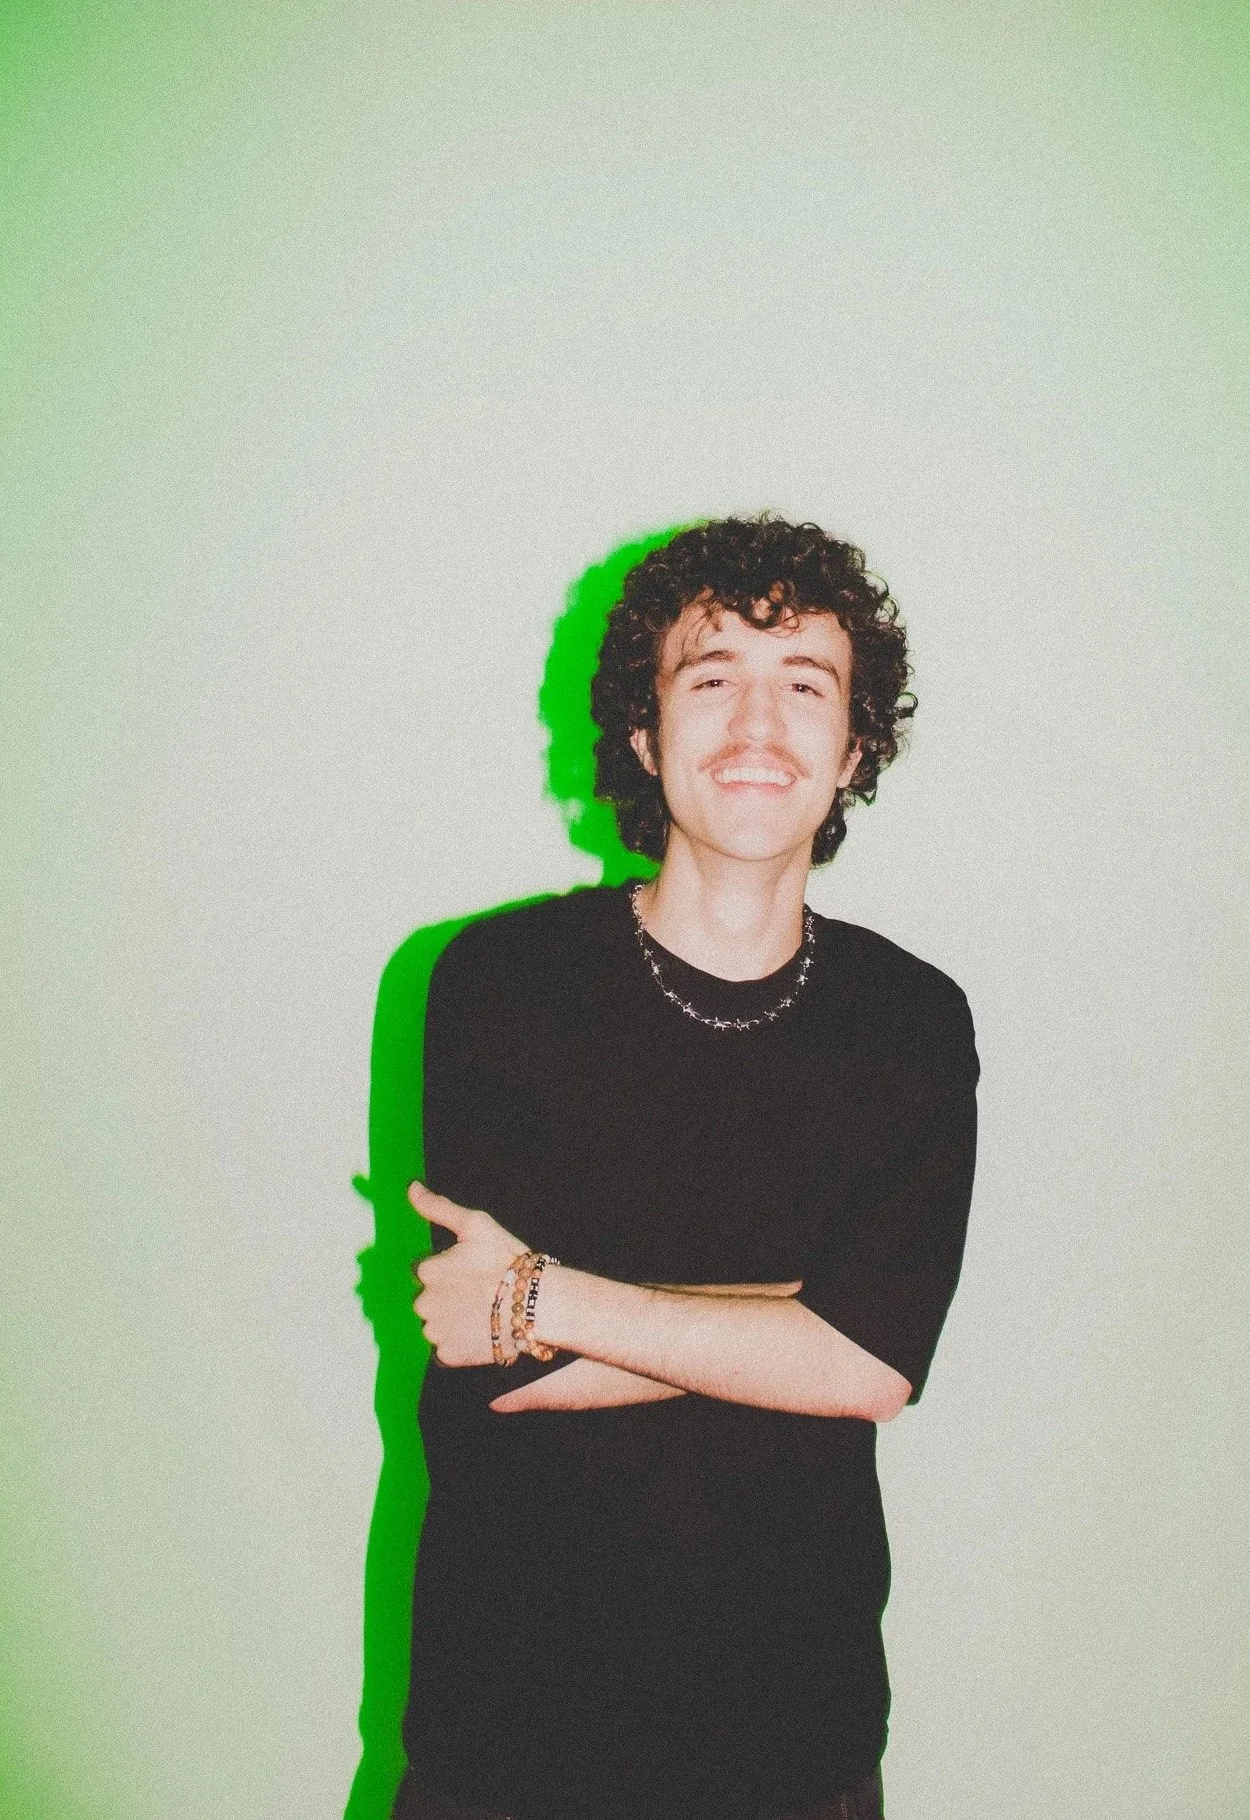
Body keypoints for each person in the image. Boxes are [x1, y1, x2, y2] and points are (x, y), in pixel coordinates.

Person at [393, 515, 980, 1820]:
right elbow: (494, 1360)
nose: (758, 727)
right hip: (509, 1740)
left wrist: (554, 1291)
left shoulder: (913, 1024)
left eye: (805, 687)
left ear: (855, 750)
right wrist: (793, 1322)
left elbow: (875, 1365)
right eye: (712, 680)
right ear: (647, 737)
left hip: (796, 1747)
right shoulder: (492, 986)